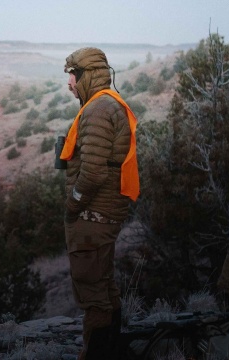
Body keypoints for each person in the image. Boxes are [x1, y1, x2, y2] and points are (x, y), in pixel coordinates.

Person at [59, 47, 140, 360]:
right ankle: (114, 351)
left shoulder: (97, 109)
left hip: (93, 215)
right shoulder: (106, 104)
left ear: (87, 75)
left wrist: (72, 205)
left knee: (92, 293)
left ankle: (97, 355)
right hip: (105, 214)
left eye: (73, 75)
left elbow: (91, 174)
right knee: (104, 287)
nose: (69, 82)